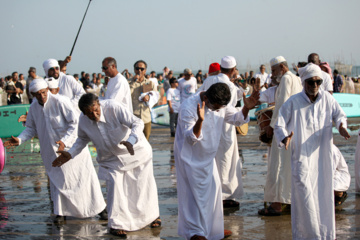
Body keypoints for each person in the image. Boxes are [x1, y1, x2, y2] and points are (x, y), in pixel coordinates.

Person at [52, 93, 160, 238]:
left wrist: (132, 139)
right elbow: (81, 140)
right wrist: (70, 154)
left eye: (96, 110)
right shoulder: (83, 121)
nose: (94, 115)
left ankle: (153, 217)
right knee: (115, 188)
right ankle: (117, 224)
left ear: (99, 103)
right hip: (112, 160)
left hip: (136, 153)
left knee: (142, 187)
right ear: (84, 113)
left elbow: (137, 122)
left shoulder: (113, 108)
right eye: (89, 113)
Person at [4, 79, 106, 224]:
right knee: (58, 183)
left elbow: (75, 122)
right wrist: (20, 140)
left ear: (47, 90)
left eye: (44, 92)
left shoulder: (61, 102)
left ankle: (101, 210)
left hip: (72, 150)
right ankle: (60, 213)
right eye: (38, 94)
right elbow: (31, 128)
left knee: (84, 180)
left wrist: (65, 141)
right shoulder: (34, 107)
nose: (42, 96)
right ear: (32, 94)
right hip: (51, 152)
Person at [174, 82, 259, 240]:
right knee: (193, 197)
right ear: (206, 97)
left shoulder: (219, 104)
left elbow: (236, 119)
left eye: (220, 107)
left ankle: (213, 230)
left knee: (213, 194)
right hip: (190, 158)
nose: (218, 110)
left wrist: (246, 108)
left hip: (208, 157)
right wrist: (200, 120)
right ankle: (195, 233)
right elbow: (190, 138)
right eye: (215, 107)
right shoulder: (188, 107)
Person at [274, 63, 350, 239]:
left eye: (318, 82)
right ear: (303, 82)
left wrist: (341, 126)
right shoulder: (293, 102)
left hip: (323, 159)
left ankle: (324, 235)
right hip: (301, 157)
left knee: (323, 198)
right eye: (311, 82)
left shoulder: (328, 100)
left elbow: (340, 115)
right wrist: (284, 138)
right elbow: (280, 123)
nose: (314, 86)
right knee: (304, 197)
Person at [197, 56, 248, 208]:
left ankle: (213, 191)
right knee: (225, 160)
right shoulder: (229, 86)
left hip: (207, 124)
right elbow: (229, 108)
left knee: (212, 160)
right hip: (224, 126)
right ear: (233, 70)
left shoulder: (208, 80)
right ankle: (225, 195)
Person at [258, 56, 303, 216]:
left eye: (274, 70)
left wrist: (272, 126)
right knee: (289, 167)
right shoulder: (297, 79)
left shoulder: (286, 79)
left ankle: (277, 205)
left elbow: (282, 105)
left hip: (283, 130)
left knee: (279, 166)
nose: (273, 74)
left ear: (282, 68)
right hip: (295, 129)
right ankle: (289, 203)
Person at [129, 60, 158, 140]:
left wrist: (149, 98)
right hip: (134, 117)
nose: (139, 71)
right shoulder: (128, 83)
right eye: (137, 68)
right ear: (134, 70)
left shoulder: (150, 83)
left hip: (146, 117)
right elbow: (127, 96)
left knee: (146, 140)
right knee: (133, 140)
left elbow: (156, 98)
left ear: (145, 70)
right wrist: (133, 83)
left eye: (142, 69)